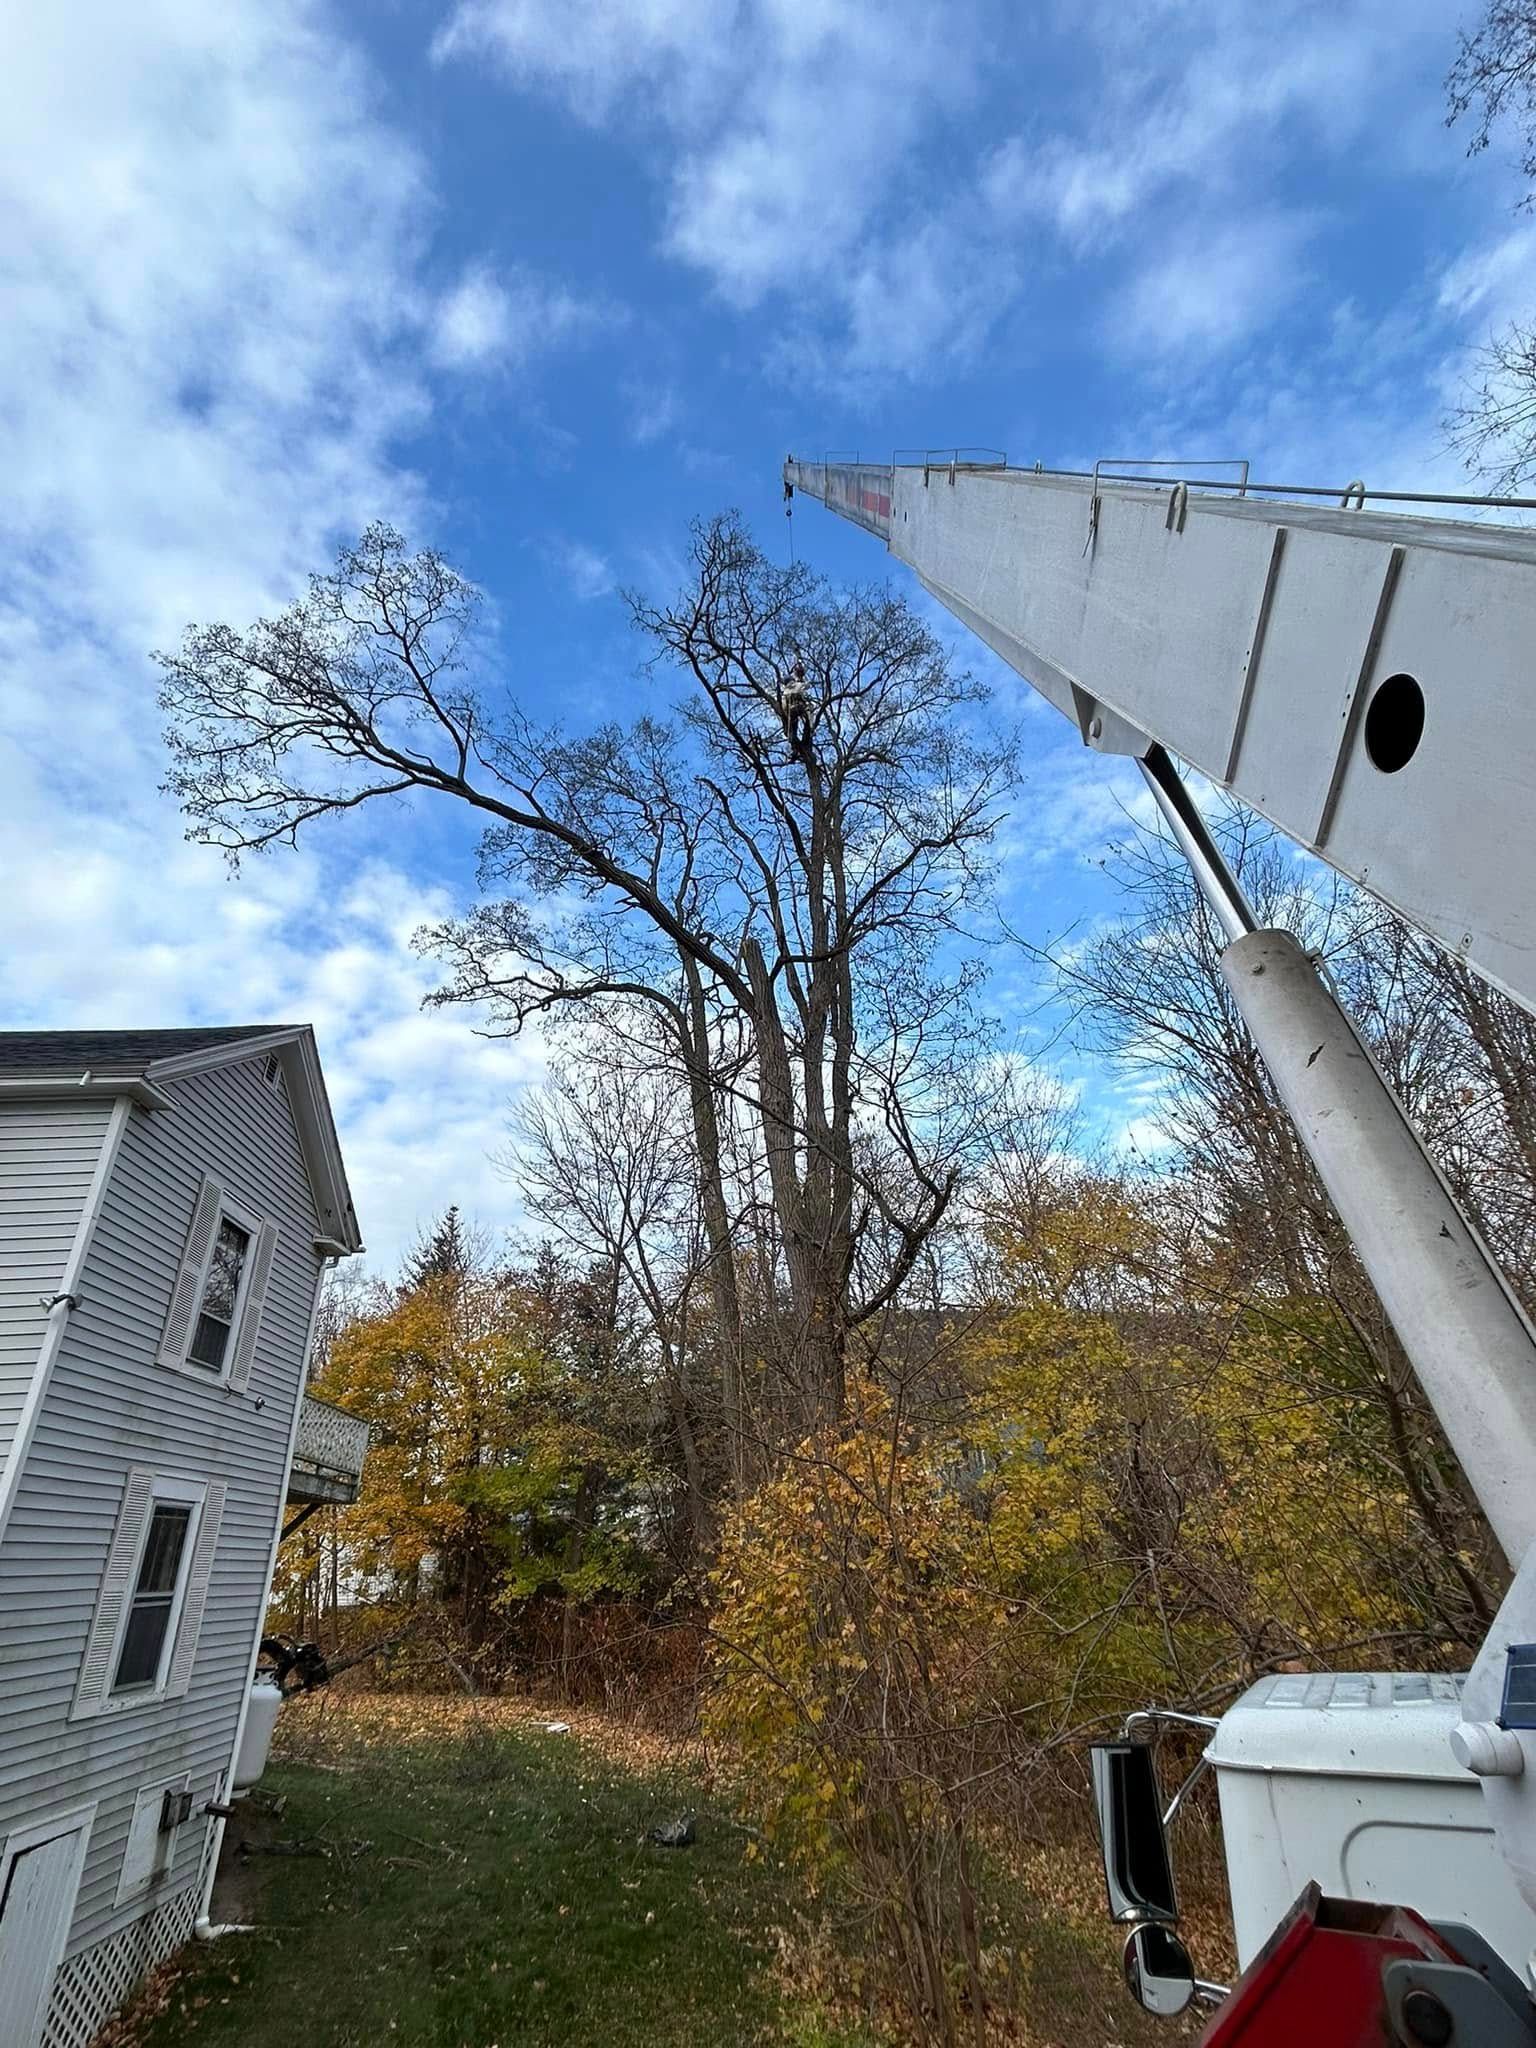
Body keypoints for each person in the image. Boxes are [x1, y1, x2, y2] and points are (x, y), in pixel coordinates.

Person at [779, 657, 812, 748]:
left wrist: (786, 713)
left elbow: (783, 705)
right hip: (800, 707)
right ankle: (811, 728)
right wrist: (801, 678)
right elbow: (808, 685)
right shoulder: (798, 685)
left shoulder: (785, 692)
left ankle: (792, 738)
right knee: (809, 711)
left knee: (794, 723)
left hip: (790, 710)